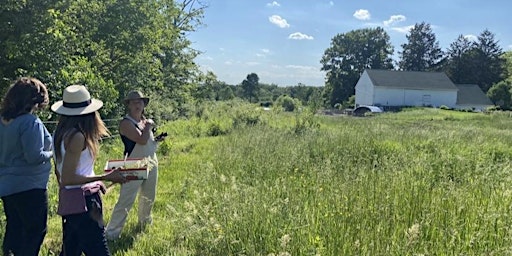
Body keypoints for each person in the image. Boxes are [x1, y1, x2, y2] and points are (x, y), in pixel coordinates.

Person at [51, 85, 126, 255]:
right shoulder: (77, 137)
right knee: (98, 250)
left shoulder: (59, 133)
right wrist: (104, 177)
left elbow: (59, 172)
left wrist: (98, 180)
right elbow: (68, 177)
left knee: (71, 250)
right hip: (84, 202)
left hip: (71, 200)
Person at [0, 77, 53, 256]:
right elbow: (34, 156)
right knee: (35, 231)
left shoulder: (3, 121)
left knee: (14, 229)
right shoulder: (30, 123)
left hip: (7, 186)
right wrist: (52, 153)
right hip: (30, 185)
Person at [105, 90, 165, 240]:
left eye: (140, 102)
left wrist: (156, 140)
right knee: (126, 199)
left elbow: (148, 142)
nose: (138, 104)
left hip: (151, 162)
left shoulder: (144, 121)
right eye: (134, 102)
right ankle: (111, 233)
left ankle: (144, 224)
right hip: (134, 164)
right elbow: (142, 140)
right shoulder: (126, 123)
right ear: (129, 105)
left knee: (149, 195)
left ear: (144, 104)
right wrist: (149, 126)